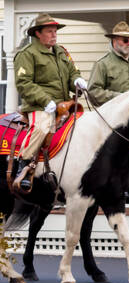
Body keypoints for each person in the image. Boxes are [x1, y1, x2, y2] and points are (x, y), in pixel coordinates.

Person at [12, 13, 88, 193]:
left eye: (55, 31)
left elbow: (72, 72)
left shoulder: (61, 51)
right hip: (40, 106)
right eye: (50, 31)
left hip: (64, 104)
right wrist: (45, 101)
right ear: (38, 34)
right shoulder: (27, 54)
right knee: (42, 127)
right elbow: (24, 84)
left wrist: (77, 80)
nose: (54, 35)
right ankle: (24, 165)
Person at [87, 21, 129, 106]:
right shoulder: (102, 64)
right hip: (113, 116)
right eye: (125, 40)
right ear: (114, 40)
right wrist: (120, 98)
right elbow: (93, 92)